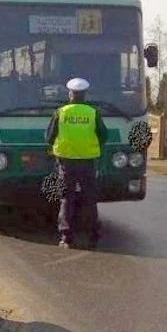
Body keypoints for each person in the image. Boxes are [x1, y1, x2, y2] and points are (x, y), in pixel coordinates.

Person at [45, 77, 107, 249]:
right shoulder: (92, 113)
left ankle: (66, 237)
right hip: (88, 162)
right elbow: (103, 135)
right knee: (90, 199)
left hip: (66, 163)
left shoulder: (61, 112)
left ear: (70, 94)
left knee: (67, 199)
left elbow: (49, 136)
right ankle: (93, 234)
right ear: (85, 95)